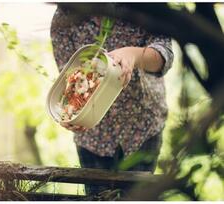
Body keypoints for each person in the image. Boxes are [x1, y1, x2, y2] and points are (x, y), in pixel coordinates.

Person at [50, 5, 174, 195]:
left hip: (142, 127)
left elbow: (164, 55)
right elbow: (69, 79)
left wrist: (133, 54)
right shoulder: (64, 16)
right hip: (93, 137)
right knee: (98, 198)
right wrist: (72, 114)